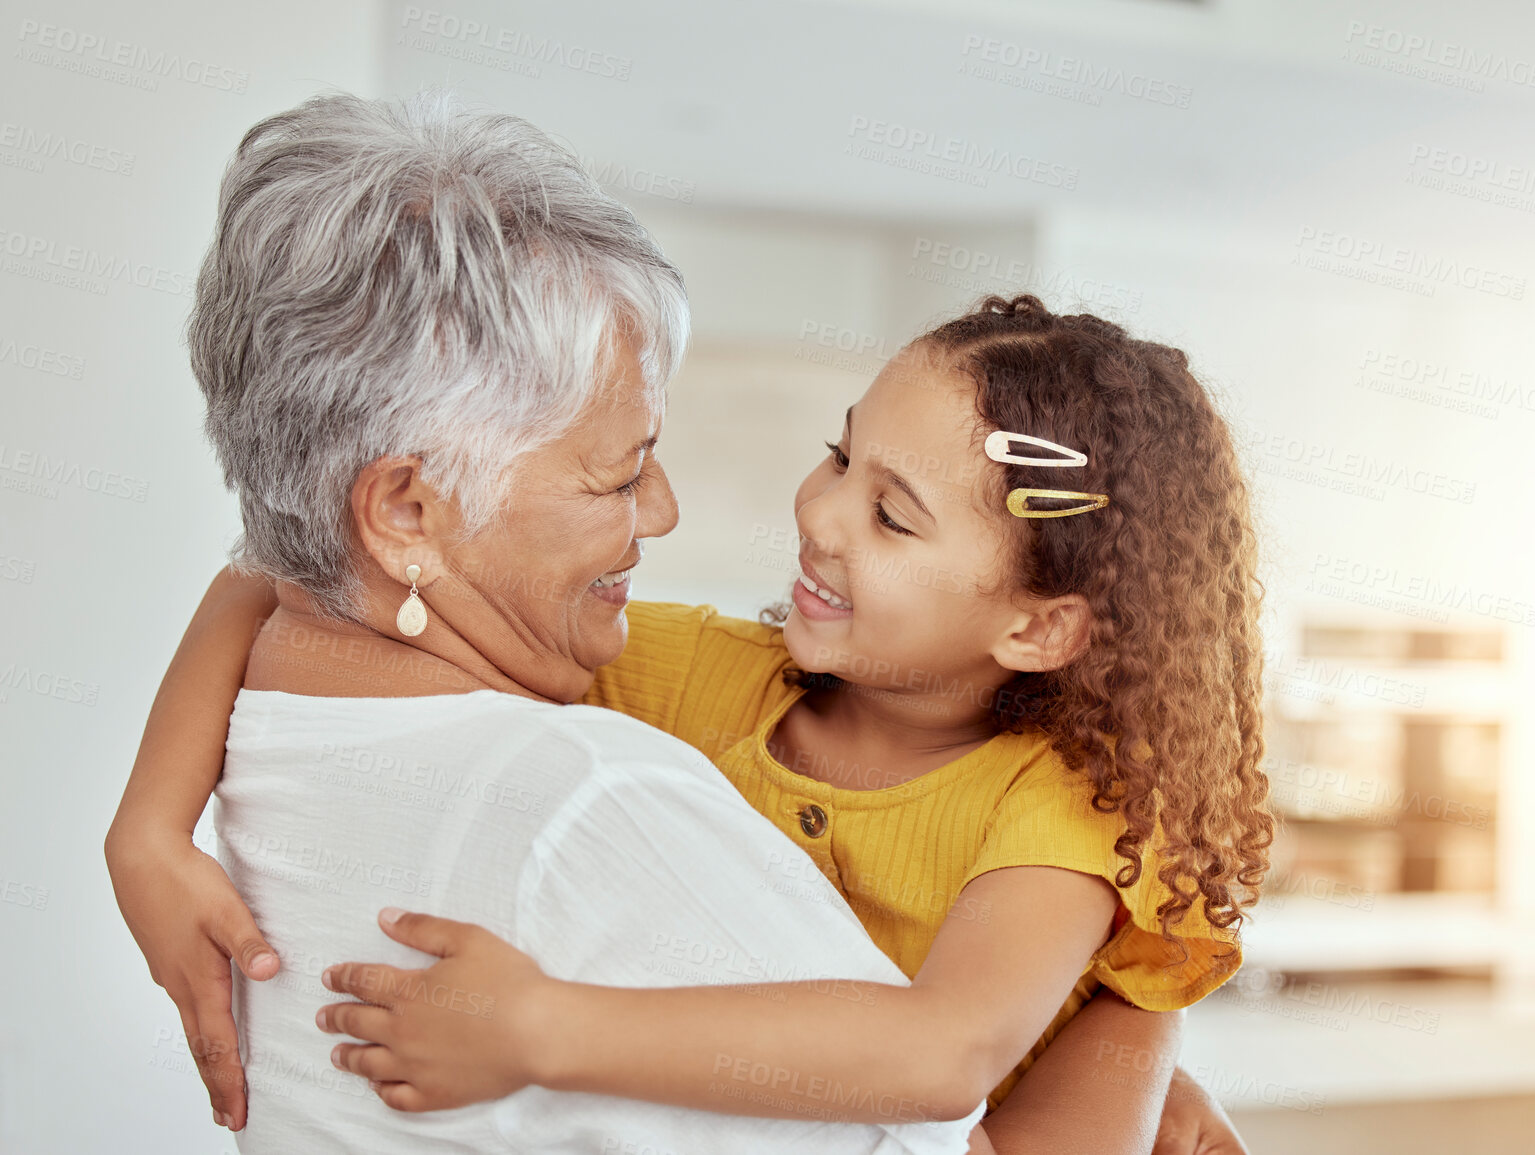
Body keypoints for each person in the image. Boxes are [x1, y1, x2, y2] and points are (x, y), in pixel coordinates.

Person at [108, 92, 1259, 1155]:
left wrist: (547, 1027)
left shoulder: (1062, 805)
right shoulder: (709, 681)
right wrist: (150, 824)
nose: (814, 516)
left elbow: (946, 1057)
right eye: (840, 456)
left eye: (893, 518)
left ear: (1039, 629)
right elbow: (293, 561)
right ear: (408, 509)